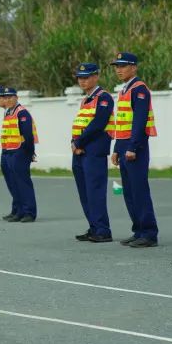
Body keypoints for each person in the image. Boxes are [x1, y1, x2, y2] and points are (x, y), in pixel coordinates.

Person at [109, 52, 159, 247]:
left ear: (134, 67)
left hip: (135, 147)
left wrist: (132, 147)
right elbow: (121, 124)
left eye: (123, 66)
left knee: (139, 190)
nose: (118, 70)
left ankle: (149, 233)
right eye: (116, 66)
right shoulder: (124, 90)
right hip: (124, 146)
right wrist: (116, 148)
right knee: (129, 191)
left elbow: (138, 123)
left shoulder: (139, 90)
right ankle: (138, 230)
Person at [70, 63, 113, 242]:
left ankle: (102, 230)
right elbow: (82, 124)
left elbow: (98, 125)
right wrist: (74, 142)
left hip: (94, 150)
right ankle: (94, 226)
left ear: (96, 77)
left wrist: (79, 141)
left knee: (95, 191)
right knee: (85, 192)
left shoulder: (104, 98)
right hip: (80, 151)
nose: (83, 80)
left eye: (86, 77)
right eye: (80, 77)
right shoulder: (86, 99)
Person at [0, 86, 38, 223]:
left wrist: (30, 153)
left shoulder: (22, 113)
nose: (7, 100)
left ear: (16, 98)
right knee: (13, 183)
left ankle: (29, 212)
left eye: (10, 97)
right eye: (5, 97)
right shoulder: (8, 112)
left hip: (20, 152)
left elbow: (28, 136)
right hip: (8, 152)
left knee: (23, 183)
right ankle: (18, 211)